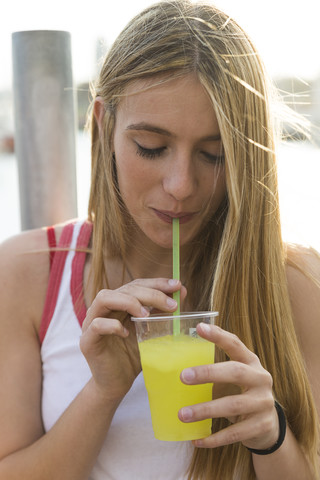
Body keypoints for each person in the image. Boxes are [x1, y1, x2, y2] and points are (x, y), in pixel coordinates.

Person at [0, 0, 319, 478]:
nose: (181, 185)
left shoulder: (295, 284)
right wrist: (103, 392)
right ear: (104, 124)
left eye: (213, 155)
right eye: (151, 147)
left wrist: (270, 436)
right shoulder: (27, 270)